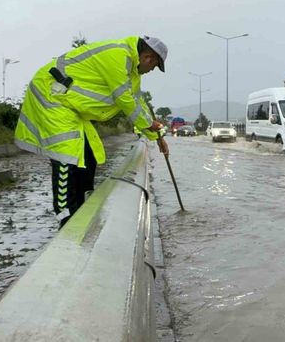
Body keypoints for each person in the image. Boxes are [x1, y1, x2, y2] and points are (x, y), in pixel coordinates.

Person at [14, 35, 169, 228]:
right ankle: (66, 218)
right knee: (67, 156)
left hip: (71, 107)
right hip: (52, 98)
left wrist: (157, 136)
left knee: (88, 157)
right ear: (148, 58)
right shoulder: (118, 54)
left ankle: (81, 210)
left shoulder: (132, 72)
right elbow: (125, 101)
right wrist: (149, 126)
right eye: (153, 67)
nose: (150, 71)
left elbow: (138, 104)